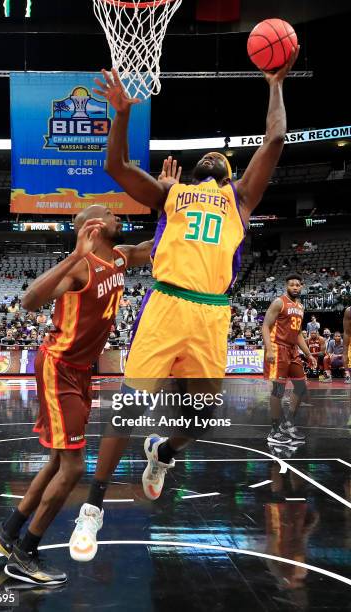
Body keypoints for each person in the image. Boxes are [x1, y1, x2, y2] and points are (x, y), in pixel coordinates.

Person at [69, 46, 300, 562]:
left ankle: (163, 454)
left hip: (211, 314)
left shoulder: (241, 198)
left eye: (222, 161)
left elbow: (278, 139)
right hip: (167, 304)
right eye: (210, 162)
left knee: (201, 415)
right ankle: (93, 510)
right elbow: (116, 165)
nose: (216, 162)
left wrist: (275, 83)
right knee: (127, 410)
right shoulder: (171, 199)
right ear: (200, 171)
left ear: (228, 171)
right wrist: (122, 114)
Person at [0, 206, 153, 585]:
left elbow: (154, 247)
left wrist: (169, 204)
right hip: (59, 366)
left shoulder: (120, 256)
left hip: (81, 371)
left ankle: (9, 530)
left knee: (57, 461)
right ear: (94, 226)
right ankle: (25, 553)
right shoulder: (80, 267)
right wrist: (75, 255)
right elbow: (30, 301)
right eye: (109, 213)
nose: (117, 215)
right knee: (75, 467)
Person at [262, 274, 316, 446]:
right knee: (278, 390)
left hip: (293, 350)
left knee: (301, 387)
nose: (295, 287)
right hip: (278, 348)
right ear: (286, 286)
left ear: (301, 287)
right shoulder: (279, 302)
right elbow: (265, 326)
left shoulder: (300, 307)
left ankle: (288, 423)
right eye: (292, 284)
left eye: (297, 285)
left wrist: (308, 354)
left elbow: (298, 333)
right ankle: (274, 430)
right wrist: (269, 349)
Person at [343, 307, 351, 384]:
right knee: (346, 353)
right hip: (350, 335)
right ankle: (347, 374)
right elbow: (347, 332)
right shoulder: (349, 311)